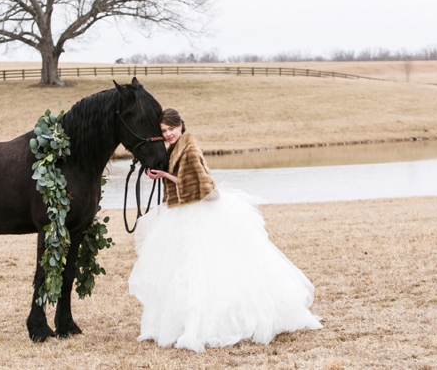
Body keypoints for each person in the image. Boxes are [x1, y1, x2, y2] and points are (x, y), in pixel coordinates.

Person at [128, 108, 322, 352]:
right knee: (182, 267)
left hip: (196, 212)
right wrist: (162, 173)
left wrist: (166, 174)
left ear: (181, 126)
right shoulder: (175, 148)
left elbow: (203, 188)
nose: (168, 134)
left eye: (171, 129)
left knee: (202, 267)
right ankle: (184, 322)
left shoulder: (190, 148)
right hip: (182, 211)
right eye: (164, 131)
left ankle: (203, 324)